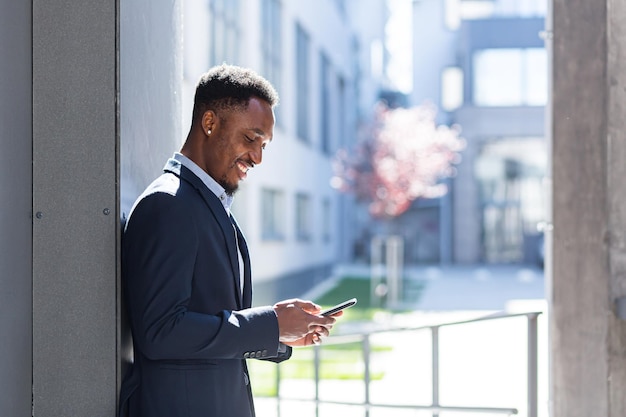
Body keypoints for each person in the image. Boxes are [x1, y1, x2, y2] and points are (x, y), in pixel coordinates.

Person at [118, 64, 339, 417]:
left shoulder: (207, 205)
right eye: (251, 139)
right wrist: (271, 323)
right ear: (209, 123)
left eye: (264, 145)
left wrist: (278, 335)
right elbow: (160, 330)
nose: (258, 157)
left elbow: (209, 319)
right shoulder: (169, 204)